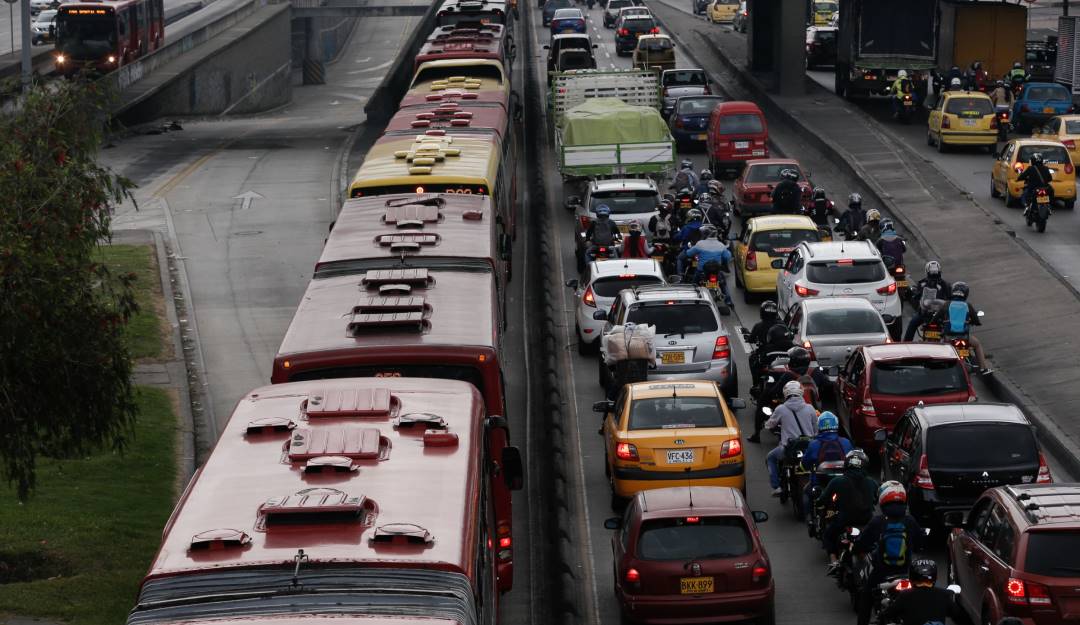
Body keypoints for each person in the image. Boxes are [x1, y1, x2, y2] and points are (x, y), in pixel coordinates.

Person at [854, 482, 928, 625]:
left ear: (882, 499)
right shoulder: (909, 520)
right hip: (906, 573)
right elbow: (920, 544)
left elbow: (861, 543)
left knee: (866, 597)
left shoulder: (878, 521)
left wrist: (857, 549)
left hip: (882, 573)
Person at [751, 346, 832, 442]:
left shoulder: (789, 375)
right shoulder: (815, 372)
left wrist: (769, 394)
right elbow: (828, 386)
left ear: (792, 361)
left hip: (792, 415)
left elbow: (774, 392)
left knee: (762, 401)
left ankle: (756, 434)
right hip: (814, 410)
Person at [817, 449, 878, 569]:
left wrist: (819, 502)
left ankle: (834, 561)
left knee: (828, 536)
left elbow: (823, 499)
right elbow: (876, 500)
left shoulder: (837, 481)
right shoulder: (872, 482)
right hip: (867, 521)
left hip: (844, 521)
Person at [764, 381, 818, 497]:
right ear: (801, 392)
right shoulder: (810, 408)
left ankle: (776, 486)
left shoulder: (781, 409)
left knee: (770, 458)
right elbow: (816, 430)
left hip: (788, 448)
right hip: (808, 447)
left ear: (786, 393)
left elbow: (769, 425)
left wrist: (768, 424)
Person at [878, 560, 965, 625]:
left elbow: (888, 614)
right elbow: (959, 617)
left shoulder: (905, 595)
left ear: (912, 577)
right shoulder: (944, 595)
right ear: (934, 578)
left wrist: (883, 613)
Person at [800, 411, 853, 513]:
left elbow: (805, 464)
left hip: (819, 483)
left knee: (806, 493)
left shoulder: (814, 444)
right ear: (836, 425)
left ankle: (811, 521)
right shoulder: (846, 442)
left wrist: (803, 467)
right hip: (843, 482)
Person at [676, 225, 734, 306]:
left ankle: (692, 299)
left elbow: (689, 253)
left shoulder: (700, 244)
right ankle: (728, 301)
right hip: (716, 272)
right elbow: (728, 256)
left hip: (701, 272)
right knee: (723, 285)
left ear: (706, 234)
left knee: (694, 285)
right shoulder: (720, 245)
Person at [944, 281, 992, 374]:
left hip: (949, 337)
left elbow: (938, 316)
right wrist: (977, 323)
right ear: (965, 294)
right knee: (977, 345)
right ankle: (983, 369)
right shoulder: (967, 305)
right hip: (964, 337)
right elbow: (975, 318)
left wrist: (934, 321)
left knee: (941, 347)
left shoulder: (947, 304)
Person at [904, 260, 951, 341]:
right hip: (935, 315)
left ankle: (906, 345)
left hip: (927, 314)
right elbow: (950, 297)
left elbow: (916, 294)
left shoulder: (922, 283)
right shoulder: (945, 284)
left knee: (912, 324)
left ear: (926, 271)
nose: (933, 277)